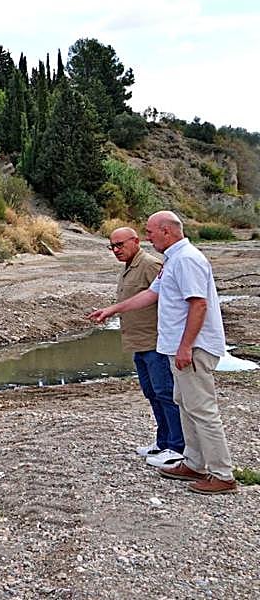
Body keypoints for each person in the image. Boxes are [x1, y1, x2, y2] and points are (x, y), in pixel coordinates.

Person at [88, 211, 236, 494]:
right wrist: (112, 310)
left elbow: (199, 305)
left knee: (202, 410)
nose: (148, 237)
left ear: (166, 231)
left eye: (150, 232)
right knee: (184, 403)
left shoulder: (187, 259)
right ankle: (194, 462)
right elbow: (151, 295)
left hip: (192, 348)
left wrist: (186, 346)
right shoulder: (173, 260)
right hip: (175, 348)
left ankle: (223, 474)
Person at [104, 226, 183, 467]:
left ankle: (177, 446)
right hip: (138, 343)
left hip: (155, 343)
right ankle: (162, 442)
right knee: (152, 393)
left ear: (136, 241)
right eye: (112, 246)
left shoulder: (150, 264)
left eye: (120, 245)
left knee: (165, 394)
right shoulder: (128, 266)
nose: (116, 250)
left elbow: (169, 298)